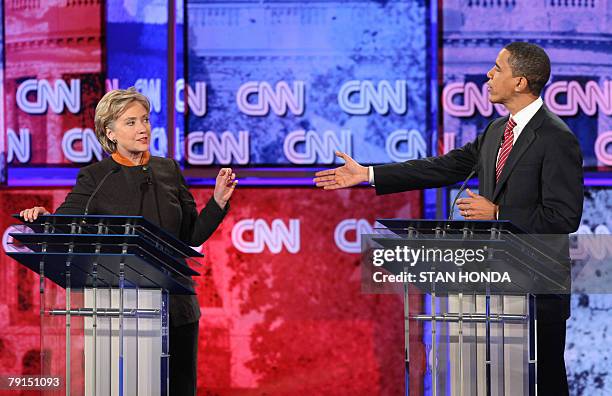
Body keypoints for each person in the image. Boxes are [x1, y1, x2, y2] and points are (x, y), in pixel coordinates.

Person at [314, 42, 583, 394]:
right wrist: (369, 174)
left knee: (542, 385)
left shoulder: (556, 138)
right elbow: (443, 167)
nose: (489, 74)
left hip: (537, 293)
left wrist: (498, 213)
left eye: (497, 68)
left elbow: (564, 216)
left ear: (520, 82)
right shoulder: (496, 132)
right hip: (491, 287)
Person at [19, 87, 237, 395]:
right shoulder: (97, 177)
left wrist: (216, 202)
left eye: (145, 120)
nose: (143, 128)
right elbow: (65, 223)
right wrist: (42, 217)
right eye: (131, 122)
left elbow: (191, 236)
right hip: (120, 311)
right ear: (110, 131)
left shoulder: (169, 170)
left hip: (177, 308)